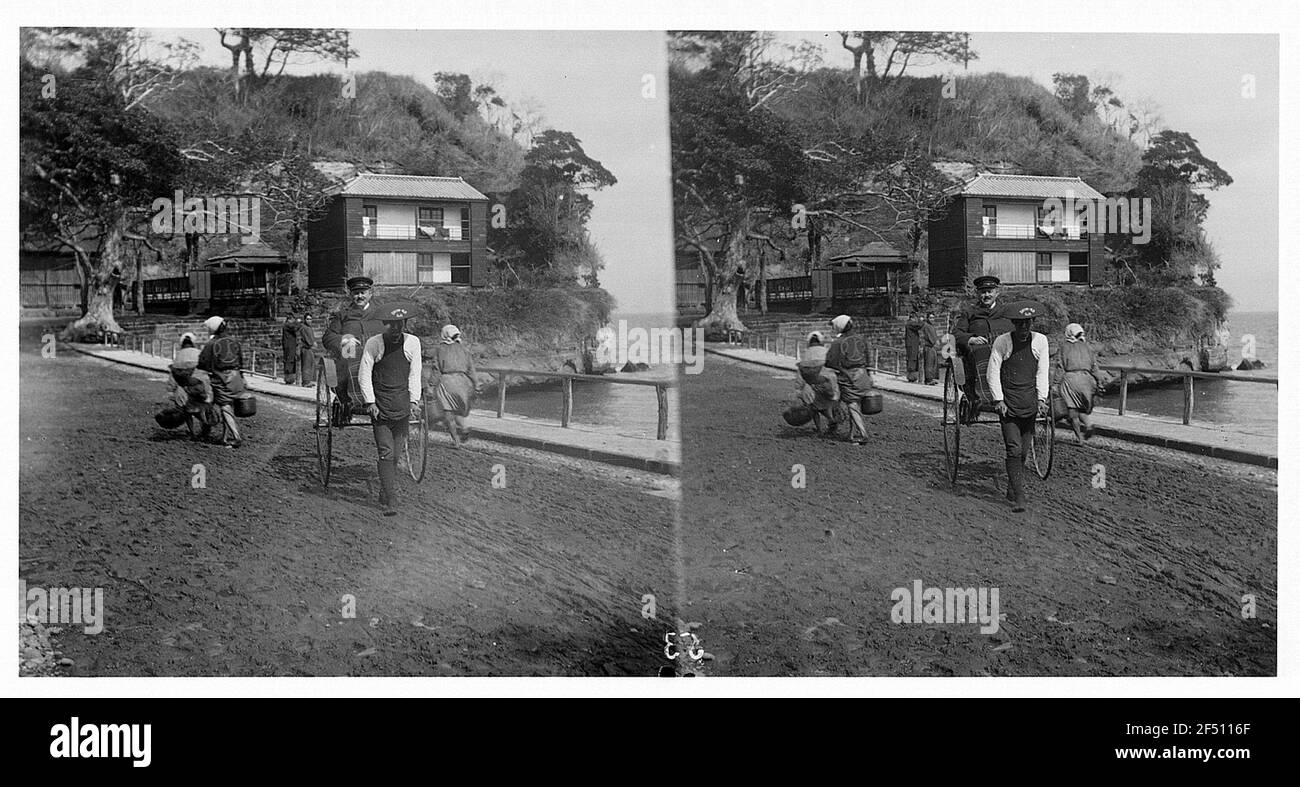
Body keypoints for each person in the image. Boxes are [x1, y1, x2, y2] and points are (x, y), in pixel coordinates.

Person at [357, 302, 423, 514]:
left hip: (401, 405)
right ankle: (391, 498)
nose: (395, 329)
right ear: (385, 324)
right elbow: (364, 374)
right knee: (386, 452)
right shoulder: (374, 344)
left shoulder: (413, 343)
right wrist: (370, 402)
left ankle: (385, 491)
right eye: (391, 325)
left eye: (399, 325)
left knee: (395, 455)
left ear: (404, 324)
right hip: (381, 406)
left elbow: (415, 373)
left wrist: (414, 400)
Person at [986, 301, 1051, 513]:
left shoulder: (1040, 341)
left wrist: (1042, 399)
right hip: (1009, 404)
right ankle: (1019, 497)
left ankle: (1011, 486)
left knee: (1023, 451)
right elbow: (993, 372)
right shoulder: (1002, 342)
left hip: (1029, 402)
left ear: (1032, 323)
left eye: (1028, 324)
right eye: (1020, 324)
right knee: (1013, 448)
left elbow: (1042, 372)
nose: (1024, 328)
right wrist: (998, 400)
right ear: (1014, 324)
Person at [322, 276, 385, 424]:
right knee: (349, 349)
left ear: (370, 293)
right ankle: (349, 400)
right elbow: (328, 337)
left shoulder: (380, 313)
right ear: (351, 295)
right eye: (356, 293)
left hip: (378, 356)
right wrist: (344, 339)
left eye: (363, 292)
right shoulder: (343, 315)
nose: (360, 296)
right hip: (351, 359)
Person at [952, 275, 1014, 416]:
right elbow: (956, 333)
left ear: (996, 293)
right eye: (983, 292)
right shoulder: (970, 312)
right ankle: (985, 397)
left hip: (1004, 347)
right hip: (979, 348)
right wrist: (970, 339)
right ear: (978, 294)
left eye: (990, 291)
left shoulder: (1006, 311)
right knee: (982, 353)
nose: (986, 295)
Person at [196, 316, 246, 448]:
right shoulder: (234, 341)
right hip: (236, 377)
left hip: (222, 379)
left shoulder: (212, 344)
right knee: (229, 407)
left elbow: (202, 363)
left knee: (224, 406)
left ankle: (236, 437)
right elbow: (241, 360)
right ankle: (224, 437)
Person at [824, 314, 874, 445]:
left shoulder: (838, 343)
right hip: (863, 375)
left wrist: (842, 371)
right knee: (855, 404)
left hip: (849, 377)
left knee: (851, 404)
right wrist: (869, 374)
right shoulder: (862, 339)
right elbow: (869, 357)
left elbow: (829, 362)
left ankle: (863, 434)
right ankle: (851, 435)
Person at [426, 324, 478, 448]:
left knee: (448, 413)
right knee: (459, 410)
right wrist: (476, 384)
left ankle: (456, 441)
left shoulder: (441, 349)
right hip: (463, 382)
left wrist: (431, 385)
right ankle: (465, 428)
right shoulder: (464, 349)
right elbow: (471, 369)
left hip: (448, 382)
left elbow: (437, 370)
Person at [1056, 322, 1102, 442]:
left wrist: (1055, 383)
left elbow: (1060, 367)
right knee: (1081, 407)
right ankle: (1088, 425)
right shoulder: (1087, 347)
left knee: (1072, 410)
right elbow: (1094, 366)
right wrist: (1099, 381)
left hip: (1071, 379)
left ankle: (1079, 438)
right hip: (1087, 380)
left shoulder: (1064, 347)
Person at [170, 333, 216, 440]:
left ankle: (192, 432)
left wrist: (172, 390)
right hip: (199, 385)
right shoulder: (197, 353)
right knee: (200, 408)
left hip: (184, 388)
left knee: (187, 411)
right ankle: (205, 425)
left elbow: (174, 375)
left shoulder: (179, 356)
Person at [796, 331, 840, 437]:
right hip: (827, 381)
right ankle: (831, 421)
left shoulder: (807, 353)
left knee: (813, 407)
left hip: (812, 383)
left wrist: (799, 387)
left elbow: (802, 371)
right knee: (827, 404)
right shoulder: (825, 351)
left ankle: (819, 428)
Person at [281, 313, 300, 385]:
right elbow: (295, 328)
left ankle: (291, 378)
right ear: (290, 319)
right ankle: (288, 379)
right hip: (289, 346)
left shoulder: (287, 325)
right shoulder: (287, 325)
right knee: (289, 361)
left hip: (291, 346)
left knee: (291, 361)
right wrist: (298, 322)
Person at [297, 314, 316, 388]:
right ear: (304, 319)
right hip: (306, 348)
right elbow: (307, 339)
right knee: (306, 365)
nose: (309, 320)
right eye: (307, 319)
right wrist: (312, 343)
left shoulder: (309, 328)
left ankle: (309, 380)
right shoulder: (303, 328)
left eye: (310, 319)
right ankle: (305, 381)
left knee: (311, 364)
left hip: (310, 348)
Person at [921, 312, 940, 385]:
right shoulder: (927, 326)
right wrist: (934, 342)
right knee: (929, 363)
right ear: (927, 318)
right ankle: (928, 379)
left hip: (932, 347)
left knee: (933, 363)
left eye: (933, 318)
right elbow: (930, 337)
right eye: (930, 318)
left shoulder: (931, 326)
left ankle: (931, 378)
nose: (932, 319)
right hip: (929, 346)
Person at [904, 312, 923, 383]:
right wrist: (921, 320)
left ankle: (913, 376)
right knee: (912, 359)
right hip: (912, 345)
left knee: (913, 359)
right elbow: (919, 325)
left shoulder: (909, 323)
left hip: (912, 344)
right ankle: (911, 377)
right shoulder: (910, 323)